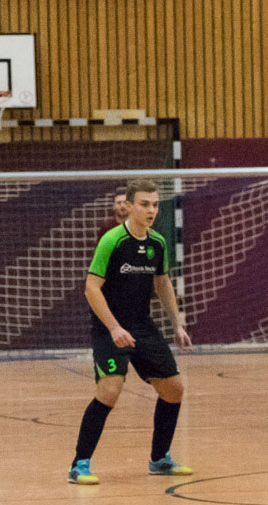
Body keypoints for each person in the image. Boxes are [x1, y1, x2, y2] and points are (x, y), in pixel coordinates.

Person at [68, 178, 194, 484]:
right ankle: (79, 464)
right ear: (129, 206)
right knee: (110, 390)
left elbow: (162, 282)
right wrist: (114, 328)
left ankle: (159, 459)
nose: (151, 210)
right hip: (109, 327)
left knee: (174, 388)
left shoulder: (158, 243)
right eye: (144, 204)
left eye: (155, 205)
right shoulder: (112, 241)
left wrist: (177, 324)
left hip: (142, 325)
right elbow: (91, 288)